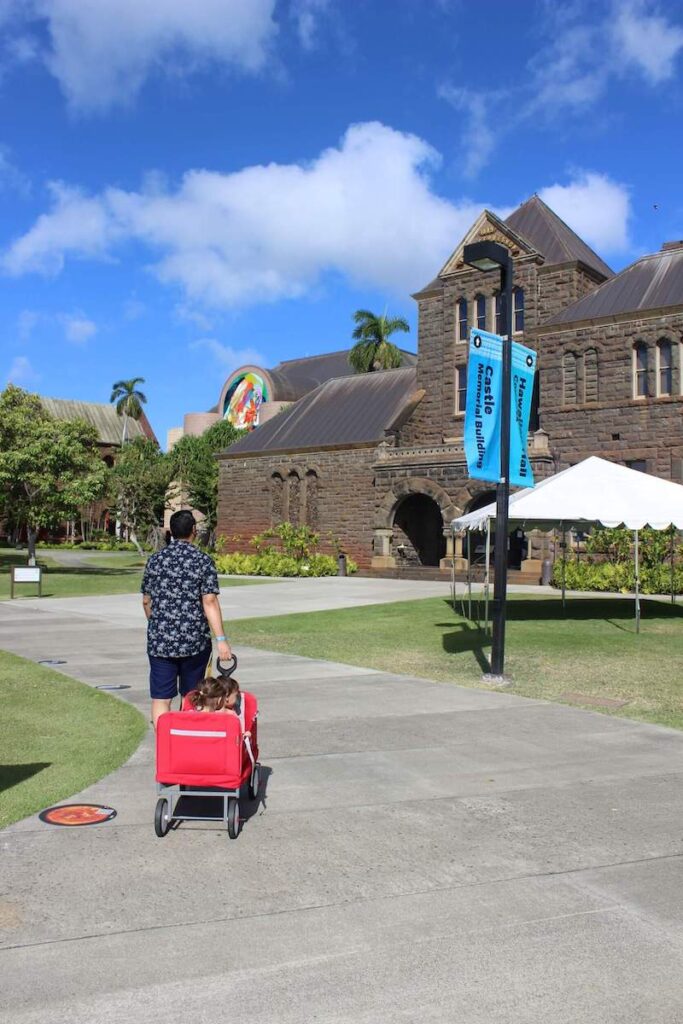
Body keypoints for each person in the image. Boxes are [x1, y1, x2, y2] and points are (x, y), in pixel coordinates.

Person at [142, 509, 232, 728]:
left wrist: (157, 625)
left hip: (160, 641)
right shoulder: (203, 561)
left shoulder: (155, 560)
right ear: (194, 531)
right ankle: (186, 743)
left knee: (161, 697)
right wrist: (221, 640)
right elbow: (209, 601)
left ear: (171, 532)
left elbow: (146, 601)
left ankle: (165, 746)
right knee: (191, 695)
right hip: (194, 641)